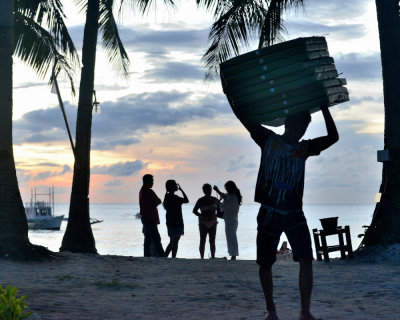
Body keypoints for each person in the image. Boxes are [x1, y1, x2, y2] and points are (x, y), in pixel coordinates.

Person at [237, 106, 339, 320]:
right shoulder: (268, 139)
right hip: (269, 212)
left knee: (306, 260)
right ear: (288, 125)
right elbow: (244, 116)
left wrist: (324, 108)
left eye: (304, 128)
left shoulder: (305, 148)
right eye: (297, 126)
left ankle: (305, 312)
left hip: (294, 213)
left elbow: (333, 137)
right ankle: (271, 310)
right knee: (265, 264)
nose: (300, 131)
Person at [213, 181, 242, 260]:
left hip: (230, 221)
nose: (226, 190)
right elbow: (224, 196)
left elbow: (223, 207)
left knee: (231, 238)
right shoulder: (232, 196)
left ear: (230, 188)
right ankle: (233, 255)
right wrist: (217, 190)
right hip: (231, 220)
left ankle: (234, 255)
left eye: (227, 188)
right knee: (231, 237)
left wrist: (218, 203)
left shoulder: (232, 197)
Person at [139, 174, 164, 257]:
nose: (153, 183)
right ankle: (161, 255)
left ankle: (146, 255)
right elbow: (158, 201)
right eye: (151, 181)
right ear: (147, 181)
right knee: (156, 238)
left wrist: (155, 202)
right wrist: (156, 202)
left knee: (148, 239)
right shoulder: (149, 191)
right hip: (150, 218)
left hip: (145, 217)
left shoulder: (142, 191)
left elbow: (156, 202)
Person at [192, 183, 221, 259]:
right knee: (202, 240)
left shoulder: (215, 199)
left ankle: (213, 257)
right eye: (207, 190)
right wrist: (202, 216)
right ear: (204, 191)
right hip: (203, 223)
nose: (209, 191)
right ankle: (202, 257)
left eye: (210, 189)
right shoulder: (200, 200)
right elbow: (194, 211)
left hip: (213, 223)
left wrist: (217, 215)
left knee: (212, 241)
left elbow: (221, 208)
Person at [163, 180, 189, 258]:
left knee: (173, 241)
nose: (176, 186)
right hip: (177, 222)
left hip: (170, 222)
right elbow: (186, 200)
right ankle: (168, 256)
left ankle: (169, 257)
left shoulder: (167, 197)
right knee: (174, 242)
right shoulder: (175, 198)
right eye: (175, 185)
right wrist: (181, 190)